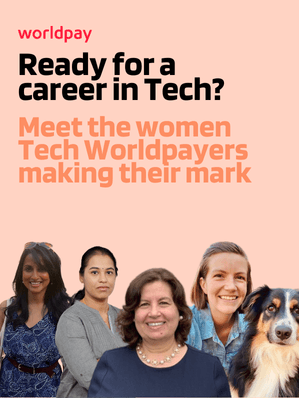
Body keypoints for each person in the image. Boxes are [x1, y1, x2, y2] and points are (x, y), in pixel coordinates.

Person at [88, 268, 231, 397]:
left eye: (164, 303)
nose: (154, 313)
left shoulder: (208, 368)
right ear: (132, 315)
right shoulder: (112, 363)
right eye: (144, 304)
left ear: (179, 311)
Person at [0, 242, 70, 397]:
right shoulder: (6, 308)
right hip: (8, 389)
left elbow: (72, 364)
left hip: (50, 390)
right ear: (21, 273)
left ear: (52, 274)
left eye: (42, 269)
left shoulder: (64, 312)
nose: (35, 276)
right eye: (28, 269)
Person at [55, 246, 126, 398]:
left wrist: (103, 362)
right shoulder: (71, 320)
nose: (103, 279)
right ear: (81, 276)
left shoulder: (125, 317)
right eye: (94, 272)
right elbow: (92, 378)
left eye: (109, 272)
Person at [186, 241, 253, 373]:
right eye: (219, 276)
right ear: (203, 284)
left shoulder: (255, 329)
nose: (231, 287)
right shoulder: (182, 327)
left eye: (239, 277)